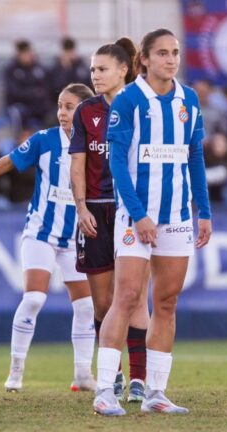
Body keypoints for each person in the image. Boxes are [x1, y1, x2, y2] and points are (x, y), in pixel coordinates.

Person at [93, 28, 212, 416]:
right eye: (162, 53)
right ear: (143, 59)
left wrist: (205, 212)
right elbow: (116, 164)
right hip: (135, 215)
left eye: (175, 52)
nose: (171, 59)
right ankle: (105, 392)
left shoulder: (188, 100)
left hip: (177, 215)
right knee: (126, 298)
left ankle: (156, 394)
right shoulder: (128, 100)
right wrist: (139, 213)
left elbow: (195, 158)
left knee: (167, 301)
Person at [0, 83, 97, 393]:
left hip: (76, 238)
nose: (62, 113)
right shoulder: (45, 140)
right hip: (40, 233)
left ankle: (82, 375)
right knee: (34, 298)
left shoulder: (96, 145)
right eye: (60, 106)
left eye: (69, 107)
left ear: (85, 110)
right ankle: (16, 370)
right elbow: (9, 161)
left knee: (86, 307)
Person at [68, 38, 149, 403]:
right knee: (103, 303)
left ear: (123, 70)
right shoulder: (86, 111)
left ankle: (140, 380)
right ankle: (113, 373)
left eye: (102, 69)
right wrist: (81, 206)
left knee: (134, 298)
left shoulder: (144, 106)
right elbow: (79, 162)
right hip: (97, 210)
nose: (95, 76)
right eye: (92, 70)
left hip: (131, 210)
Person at [4, 40, 52, 136]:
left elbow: (47, 88)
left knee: (52, 113)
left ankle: (49, 138)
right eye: (25, 53)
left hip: (38, 104)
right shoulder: (11, 70)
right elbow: (13, 92)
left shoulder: (40, 69)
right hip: (20, 104)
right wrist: (33, 93)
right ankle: (21, 139)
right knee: (18, 112)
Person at [49, 37, 92, 102]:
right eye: (67, 50)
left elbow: (85, 84)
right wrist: (66, 69)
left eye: (71, 50)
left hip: (81, 99)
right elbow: (57, 87)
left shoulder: (81, 64)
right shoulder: (56, 67)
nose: (69, 53)